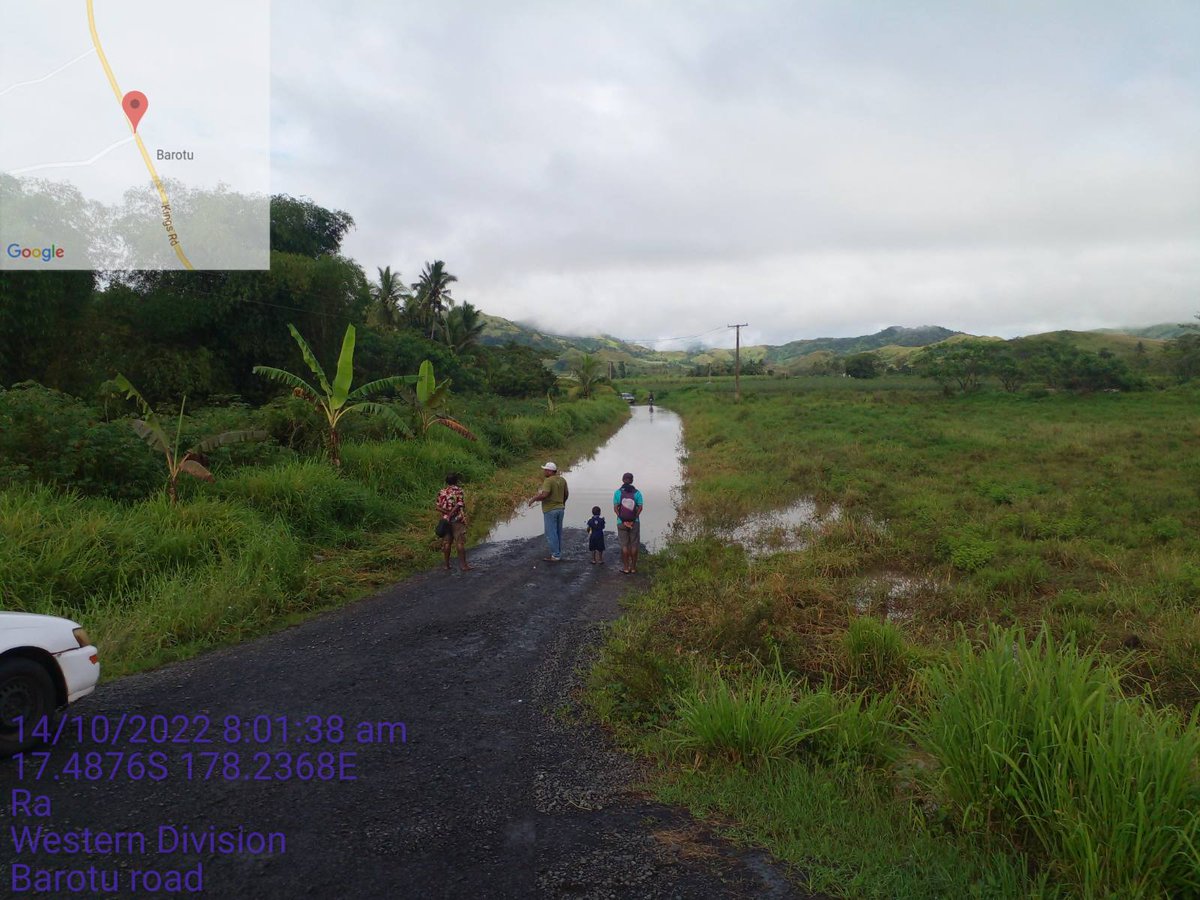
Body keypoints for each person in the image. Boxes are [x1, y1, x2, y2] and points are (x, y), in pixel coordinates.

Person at [527, 461, 568, 561]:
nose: (544, 471)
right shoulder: (562, 480)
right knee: (558, 532)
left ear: (550, 471)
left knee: (551, 533)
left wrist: (534, 499)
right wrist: (562, 503)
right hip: (560, 509)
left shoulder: (548, 481)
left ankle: (555, 555)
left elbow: (545, 494)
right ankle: (557, 553)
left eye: (545, 470)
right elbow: (566, 494)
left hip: (550, 510)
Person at [436, 472, 472, 571]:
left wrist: (446, 513)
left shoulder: (442, 491)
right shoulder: (459, 491)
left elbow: (437, 507)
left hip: (445, 521)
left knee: (447, 543)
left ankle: (446, 565)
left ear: (446, 482)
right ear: (456, 481)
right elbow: (459, 504)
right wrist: (451, 513)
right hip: (457, 520)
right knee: (460, 543)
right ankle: (464, 565)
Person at [613, 472, 644, 574]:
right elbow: (640, 507)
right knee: (634, 545)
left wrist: (623, 520)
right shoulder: (637, 493)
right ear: (632, 480)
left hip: (621, 522)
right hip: (634, 522)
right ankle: (633, 568)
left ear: (623, 480)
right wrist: (634, 518)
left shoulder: (617, 493)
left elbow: (615, 508)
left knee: (624, 545)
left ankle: (626, 568)